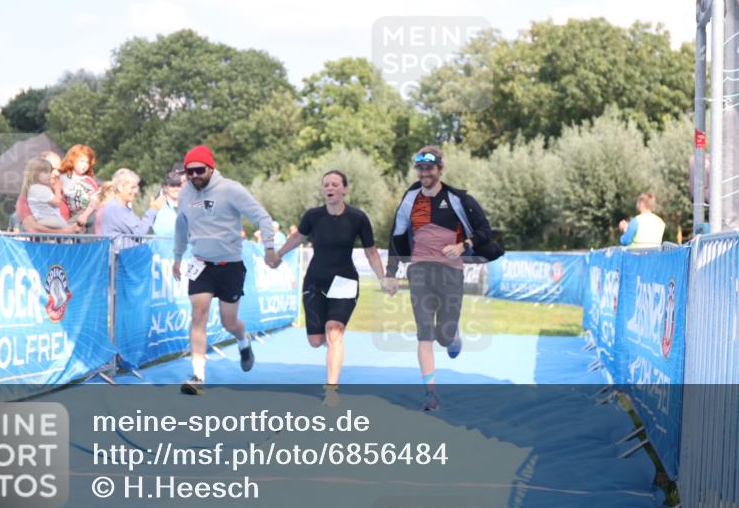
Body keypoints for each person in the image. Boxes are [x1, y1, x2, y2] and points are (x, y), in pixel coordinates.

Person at [384, 146, 502, 411]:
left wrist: (463, 246)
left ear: (440, 169)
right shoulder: (410, 198)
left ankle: (452, 334)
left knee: (444, 336)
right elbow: (396, 236)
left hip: (451, 272)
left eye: (429, 168)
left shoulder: (458, 199)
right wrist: (391, 274)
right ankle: (431, 395)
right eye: (421, 168)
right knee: (424, 333)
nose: (425, 173)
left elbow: (485, 229)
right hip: (420, 270)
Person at [274, 170, 389, 405]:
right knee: (316, 341)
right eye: (326, 184)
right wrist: (278, 255)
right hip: (316, 280)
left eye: (335, 184)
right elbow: (298, 238)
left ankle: (331, 391)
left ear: (345, 189)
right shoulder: (313, 216)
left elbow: (370, 251)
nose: (330, 188)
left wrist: (382, 278)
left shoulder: (357, 218)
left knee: (334, 330)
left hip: (345, 280)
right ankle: (332, 346)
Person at [171, 145, 279, 394]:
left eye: (199, 170)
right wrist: (178, 256)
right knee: (199, 313)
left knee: (229, 321)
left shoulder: (231, 189)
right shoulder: (186, 194)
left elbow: (262, 217)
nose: (195, 176)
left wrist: (270, 247)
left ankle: (243, 340)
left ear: (211, 167)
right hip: (200, 264)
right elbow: (180, 225)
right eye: (189, 172)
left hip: (230, 265)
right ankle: (198, 377)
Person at [99, 169, 166, 247]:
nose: (136, 191)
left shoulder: (121, 207)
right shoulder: (116, 208)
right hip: (119, 257)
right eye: (133, 187)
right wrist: (153, 209)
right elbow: (140, 232)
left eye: (136, 187)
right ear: (120, 187)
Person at [59, 144, 100, 230]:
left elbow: (95, 201)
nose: (85, 165)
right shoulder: (63, 178)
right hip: (69, 215)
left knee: (69, 231)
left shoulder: (88, 180)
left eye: (87, 162)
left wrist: (84, 215)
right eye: (82, 161)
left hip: (85, 213)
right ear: (72, 160)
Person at [22, 157, 69, 229]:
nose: (49, 175)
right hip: (47, 219)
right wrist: (58, 189)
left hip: (45, 219)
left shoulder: (36, 188)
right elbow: (56, 203)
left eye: (50, 172)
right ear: (35, 174)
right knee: (68, 230)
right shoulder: (39, 188)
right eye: (45, 172)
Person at [151, 170, 183, 236]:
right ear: (165, 188)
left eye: (178, 185)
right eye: (172, 185)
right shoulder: (159, 207)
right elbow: (158, 231)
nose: (176, 189)